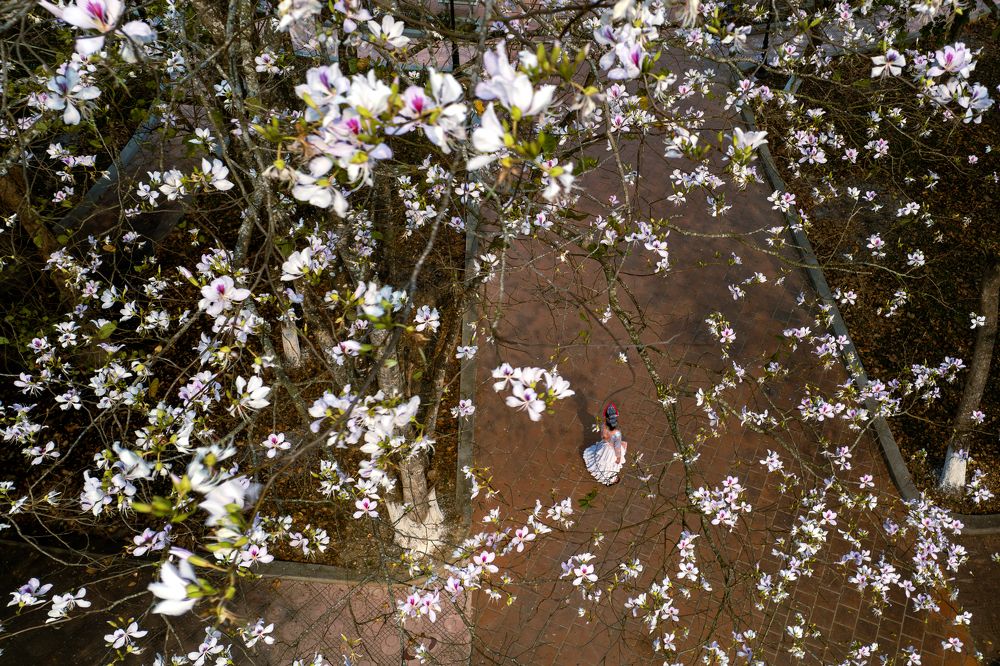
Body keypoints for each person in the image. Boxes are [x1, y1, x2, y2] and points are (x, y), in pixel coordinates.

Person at [583, 403, 628, 485]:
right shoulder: (610, 428)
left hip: (610, 446)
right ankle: (609, 478)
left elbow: (605, 437)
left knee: (608, 461)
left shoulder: (605, 425)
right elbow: (607, 438)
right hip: (610, 448)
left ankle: (609, 476)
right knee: (607, 461)